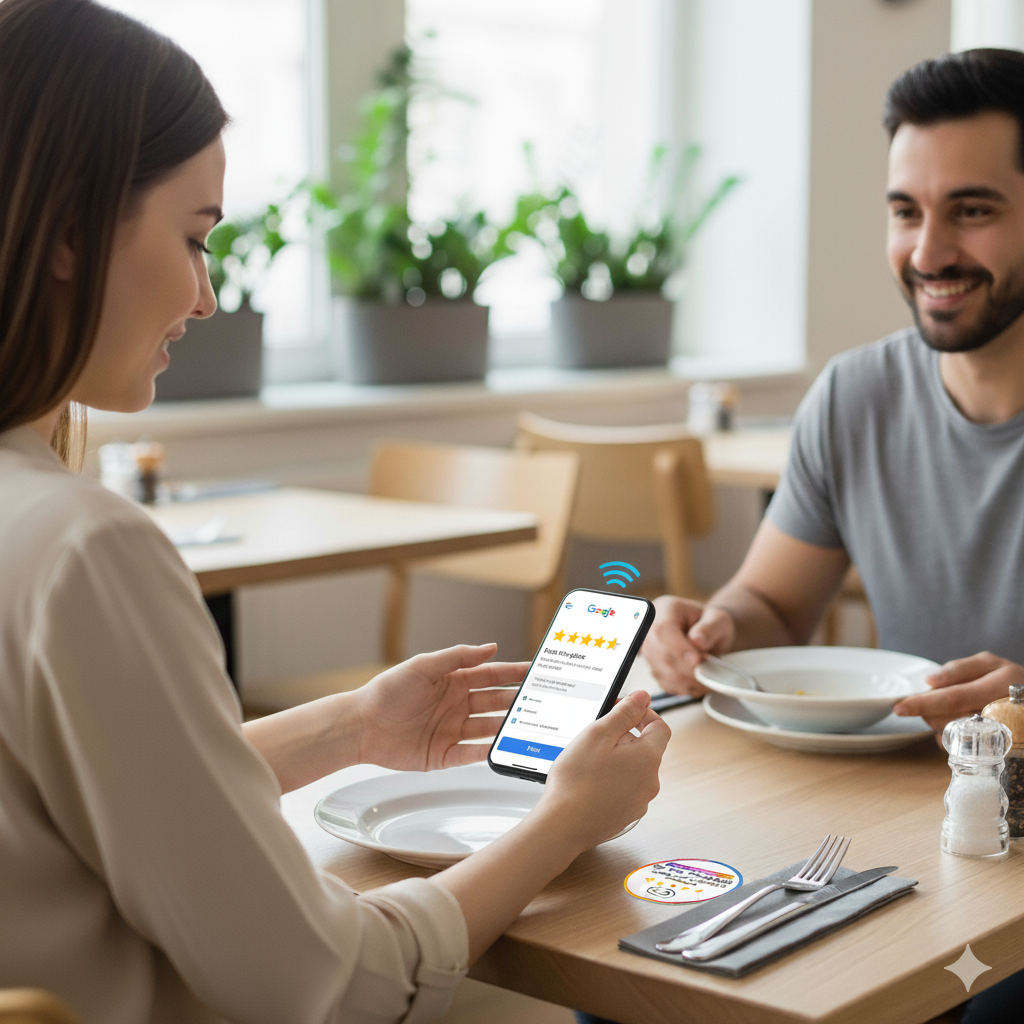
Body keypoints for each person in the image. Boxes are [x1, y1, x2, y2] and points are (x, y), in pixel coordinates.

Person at [0, 3, 671, 1023]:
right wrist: (569, 819)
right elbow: (334, 984)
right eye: (193, 237)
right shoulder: (82, 548)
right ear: (68, 234)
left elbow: (88, 808)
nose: (209, 295)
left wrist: (350, 727)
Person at [639, 47, 1024, 1024]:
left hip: (996, 859)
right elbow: (772, 604)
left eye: (971, 209)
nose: (927, 250)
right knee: (650, 974)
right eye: (905, 210)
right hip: (898, 828)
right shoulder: (855, 395)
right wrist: (714, 626)